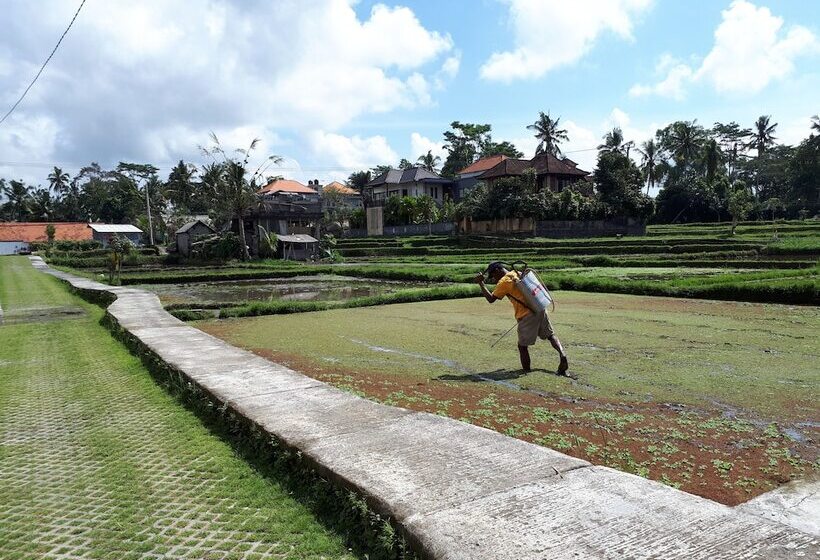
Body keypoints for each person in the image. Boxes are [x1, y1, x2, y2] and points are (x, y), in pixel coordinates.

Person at [475, 261, 569, 376]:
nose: (494, 279)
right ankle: (562, 354)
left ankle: (526, 371)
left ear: (498, 270)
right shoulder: (517, 272)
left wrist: (481, 283)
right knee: (550, 335)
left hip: (526, 315)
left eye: (493, 275)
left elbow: (491, 299)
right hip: (539, 307)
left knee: (522, 346)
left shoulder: (503, 282)